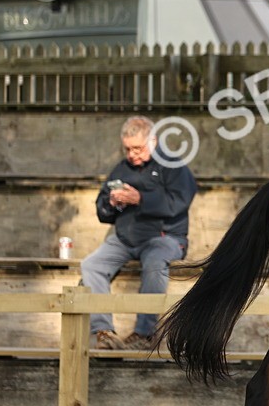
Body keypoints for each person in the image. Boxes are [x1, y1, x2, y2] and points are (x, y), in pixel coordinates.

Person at [80, 116, 198, 349]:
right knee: (91, 265)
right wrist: (111, 203)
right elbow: (102, 209)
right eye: (128, 149)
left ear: (153, 141)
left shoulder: (172, 165)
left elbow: (180, 201)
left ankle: (145, 334)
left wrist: (141, 199)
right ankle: (103, 333)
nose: (132, 154)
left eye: (138, 148)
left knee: (155, 262)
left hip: (165, 237)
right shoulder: (121, 169)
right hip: (124, 239)